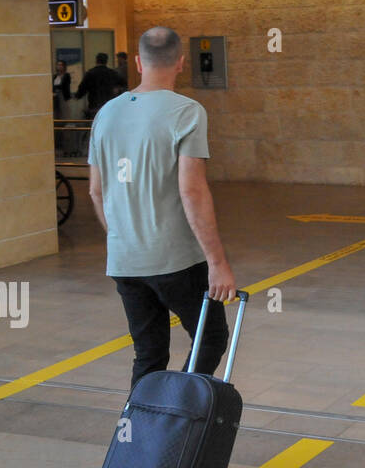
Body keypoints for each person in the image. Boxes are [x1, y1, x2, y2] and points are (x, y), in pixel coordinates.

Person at [87, 27, 237, 390]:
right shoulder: (187, 112)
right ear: (181, 63)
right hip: (176, 259)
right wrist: (217, 263)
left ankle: (138, 429)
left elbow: (95, 191)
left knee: (148, 353)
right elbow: (192, 190)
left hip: (124, 259)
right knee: (211, 336)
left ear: (138, 62)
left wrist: (124, 237)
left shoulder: (106, 113)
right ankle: (177, 411)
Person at [75, 52, 125, 120]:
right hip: (109, 106)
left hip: (94, 105)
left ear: (96, 60)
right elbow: (123, 84)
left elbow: (82, 89)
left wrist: (77, 96)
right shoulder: (112, 73)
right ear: (106, 61)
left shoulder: (90, 73)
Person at [53, 60, 72, 156]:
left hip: (63, 100)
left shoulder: (66, 76)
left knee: (66, 121)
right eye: (58, 65)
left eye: (61, 65)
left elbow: (64, 87)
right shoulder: (54, 76)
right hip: (56, 102)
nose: (59, 66)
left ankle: (67, 147)